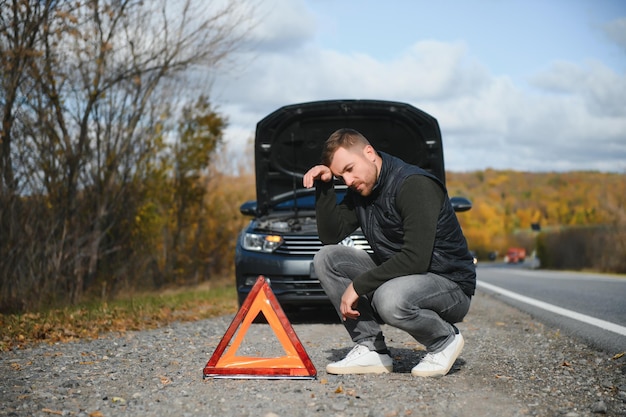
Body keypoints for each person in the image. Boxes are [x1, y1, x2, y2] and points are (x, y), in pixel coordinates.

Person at [302, 128, 476, 377]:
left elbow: (416, 259)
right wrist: (325, 187)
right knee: (327, 258)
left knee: (389, 298)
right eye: (342, 177)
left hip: (450, 286)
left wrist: (358, 285)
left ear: (369, 153)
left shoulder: (414, 184)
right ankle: (371, 347)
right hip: (405, 277)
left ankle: (443, 340)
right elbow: (330, 236)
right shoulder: (361, 191)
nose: (348, 181)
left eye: (350, 169)